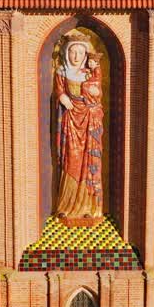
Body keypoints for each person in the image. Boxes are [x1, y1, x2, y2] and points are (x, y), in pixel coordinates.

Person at [53, 34, 104, 222]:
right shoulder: (61, 71)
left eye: (80, 52)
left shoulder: (90, 74)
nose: (76, 56)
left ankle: (88, 206)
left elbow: (97, 95)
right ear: (67, 53)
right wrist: (61, 96)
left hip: (88, 120)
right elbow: (59, 90)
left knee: (88, 160)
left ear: (85, 54)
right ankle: (66, 206)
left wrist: (94, 94)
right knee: (71, 159)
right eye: (73, 52)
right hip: (70, 120)